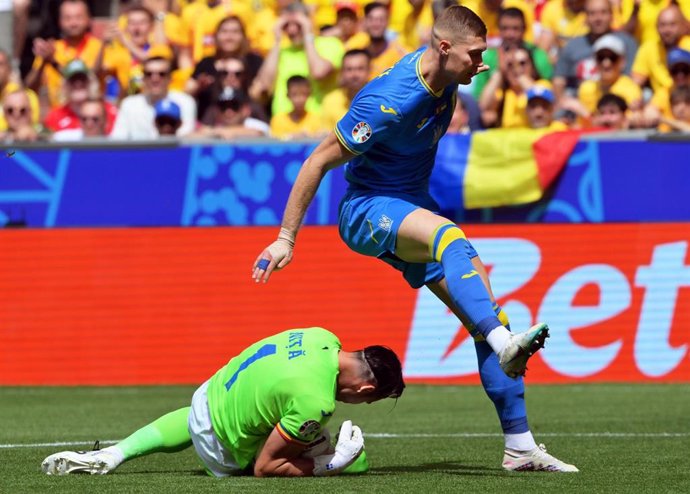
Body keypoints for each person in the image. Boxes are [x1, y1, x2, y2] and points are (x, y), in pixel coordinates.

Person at [252, 5, 578, 473]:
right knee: (451, 238)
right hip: (366, 210)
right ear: (444, 48)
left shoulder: (448, 78)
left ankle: (520, 447)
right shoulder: (387, 100)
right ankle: (506, 342)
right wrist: (286, 238)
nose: (480, 64)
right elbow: (318, 161)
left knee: (486, 317)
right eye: (475, 54)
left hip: (409, 208)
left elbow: (449, 85)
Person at [41, 327, 405, 477]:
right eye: (369, 403)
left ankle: (114, 454)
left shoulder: (320, 335)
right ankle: (333, 459)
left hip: (209, 395)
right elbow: (266, 467)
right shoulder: (316, 400)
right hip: (222, 449)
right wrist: (333, 464)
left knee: (293, 424)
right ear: (365, 391)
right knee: (330, 449)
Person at [552, 0, 638, 101]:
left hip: (618, 102)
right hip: (580, 101)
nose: (598, 18)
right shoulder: (572, 46)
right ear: (585, 18)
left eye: (603, 12)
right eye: (592, 13)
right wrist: (565, 103)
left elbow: (633, 80)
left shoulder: (627, 43)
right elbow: (558, 81)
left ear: (612, 15)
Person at [25, 0, 103, 109]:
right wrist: (43, 62)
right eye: (67, 18)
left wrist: (53, 62)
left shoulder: (100, 47)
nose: (73, 23)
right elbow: (29, 89)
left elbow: (91, 76)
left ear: (89, 19)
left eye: (78, 17)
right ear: (59, 21)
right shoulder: (51, 49)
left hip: (91, 117)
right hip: (58, 118)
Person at [110, 55, 197, 139]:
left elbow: (185, 140)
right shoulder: (129, 105)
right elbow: (117, 140)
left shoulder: (185, 102)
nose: (155, 79)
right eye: (149, 74)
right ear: (143, 78)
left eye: (161, 74)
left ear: (170, 78)